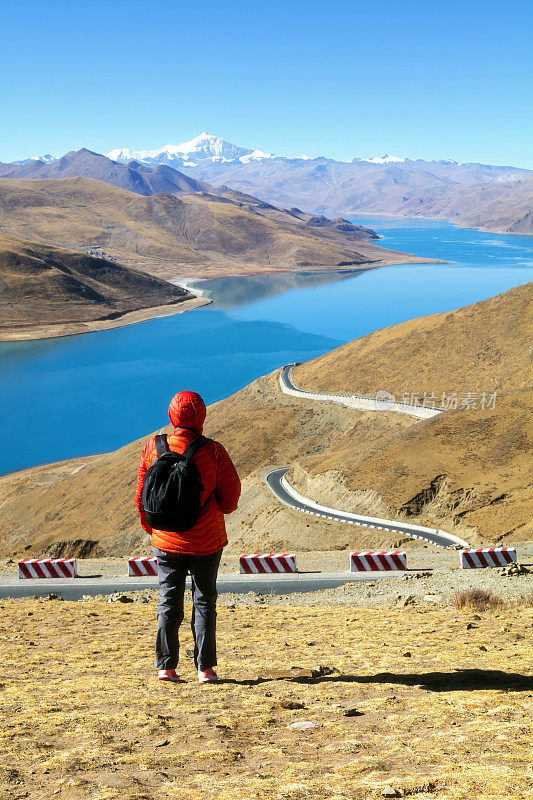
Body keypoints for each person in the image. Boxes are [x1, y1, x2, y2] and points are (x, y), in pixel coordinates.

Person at [135, 390, 241, 683]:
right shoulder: (214, 451)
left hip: (165, 542)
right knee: (204, 600)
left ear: (171, 415)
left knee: (169, 600)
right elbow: (230, 501)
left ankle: (166, 667)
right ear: (202, 417)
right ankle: (205, 669)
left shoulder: (153, 448)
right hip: (206, 542)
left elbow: (142, 498)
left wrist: (154, 530)